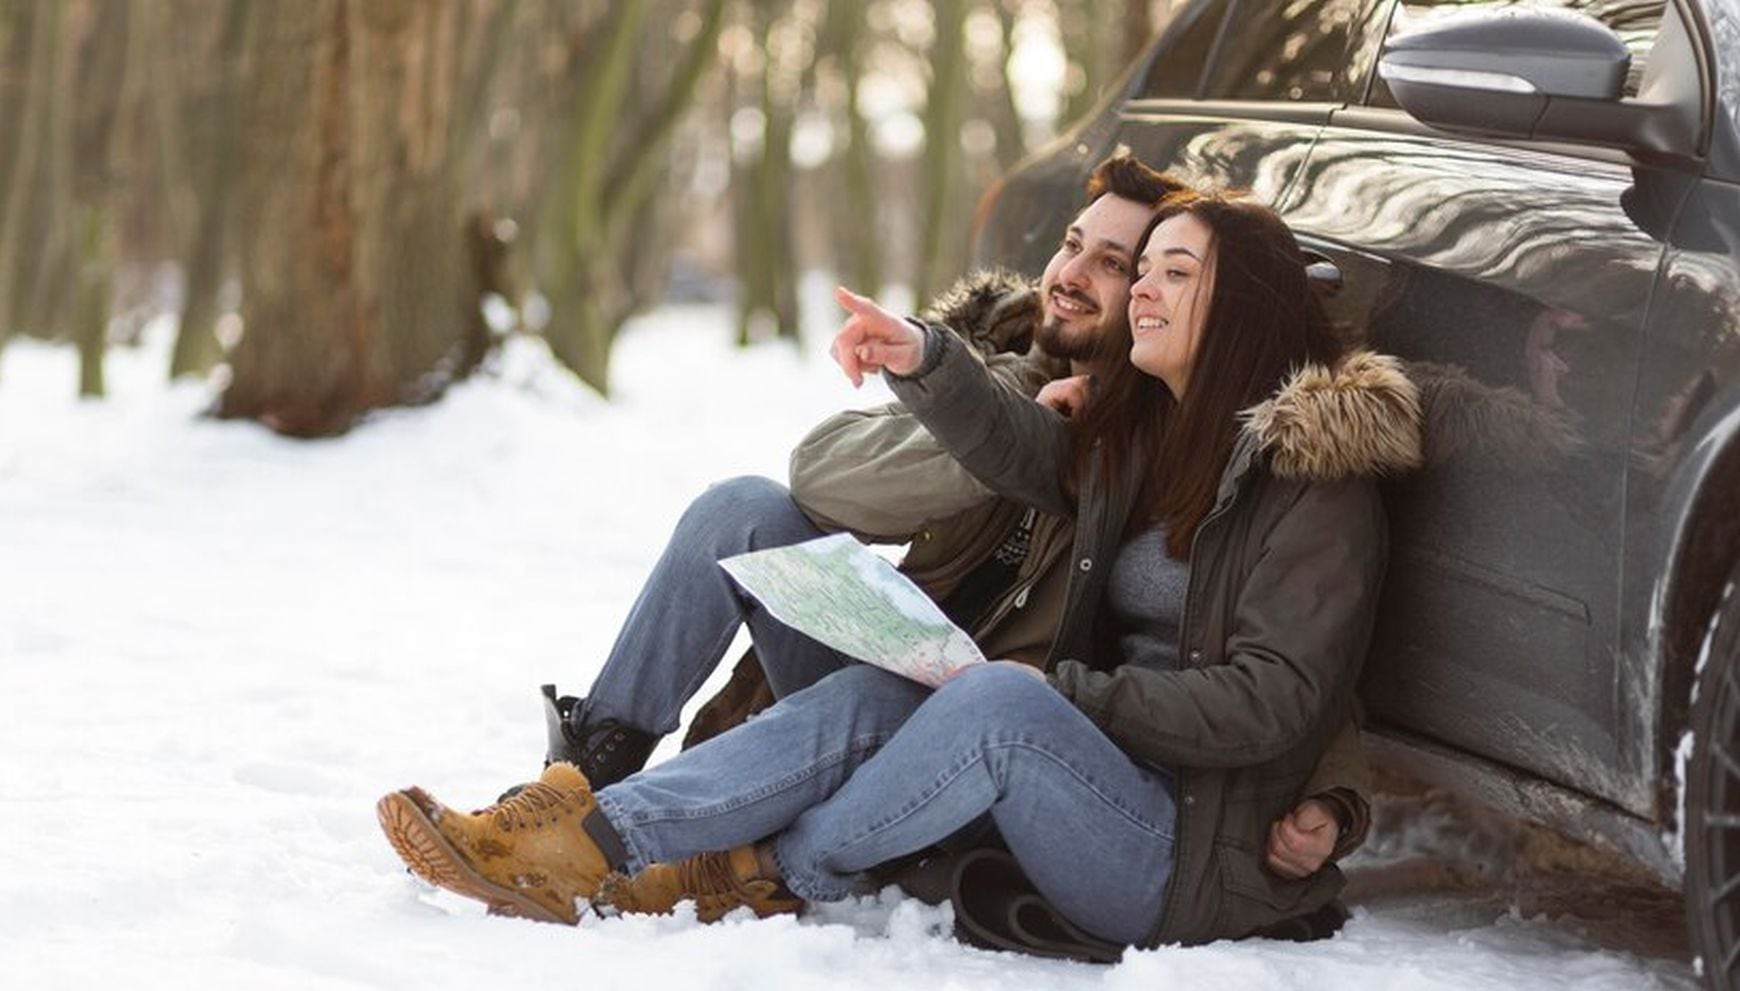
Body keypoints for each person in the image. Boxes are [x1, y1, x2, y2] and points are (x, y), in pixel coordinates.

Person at [375, 191, 1423, 950]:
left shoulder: (1315, 489)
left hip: (1179, 849)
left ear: (1238, 309)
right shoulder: (1148, 439)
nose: (1140, 287)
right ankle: (584, 833)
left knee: (993, 702)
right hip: (1036, 749)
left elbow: (1286, 694)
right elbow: (1016, 451)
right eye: (1135, 266)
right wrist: (928, 361)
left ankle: (753, 865)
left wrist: (1073, 696)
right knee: (906, 681)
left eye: (1167, 271)